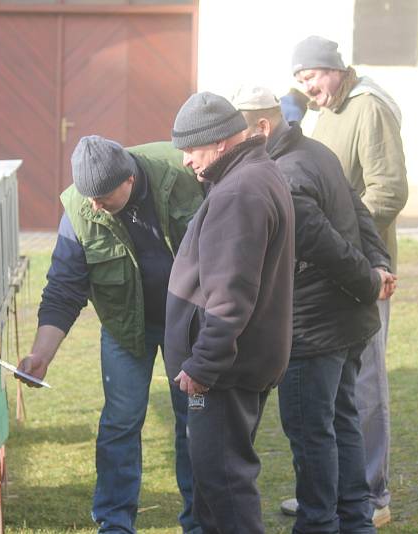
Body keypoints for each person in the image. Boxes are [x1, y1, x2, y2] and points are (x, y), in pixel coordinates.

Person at [17, 135, 204, 534]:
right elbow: (64, 288)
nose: (94, 206)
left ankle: (200, 520)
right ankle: (115, 522)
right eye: (89, 198)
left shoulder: (183, 173)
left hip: (188, 323)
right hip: (125, 325)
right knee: (120, 421)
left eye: (103, 197)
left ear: (129, 180)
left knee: (193, 420)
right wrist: (41, 355)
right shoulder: (81, 208)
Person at [232, 85, 396, 534]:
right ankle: (355, 519)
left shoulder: (284, 173)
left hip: (312, 328)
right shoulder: (317, 151)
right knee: (340, 421)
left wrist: (369, 276)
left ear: (262, 127)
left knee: (311, 432)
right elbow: (360, 216)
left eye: (236, 134)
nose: (229, 145)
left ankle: (320, 522)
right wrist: (378, 265)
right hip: (343, 322)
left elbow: (327, 246)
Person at [287, 35, 410, 528]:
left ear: (334, 69)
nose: (306, 87)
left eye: (311, 75)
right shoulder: (326, 111)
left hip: (366, 271)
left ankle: (373, 493)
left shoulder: (368, 107)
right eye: (299, 80)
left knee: (365, 382)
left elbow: (389, 189)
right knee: (332, 390)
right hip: (333, 273)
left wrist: (350, 248)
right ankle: (333, 489)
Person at [164, 91, 295, 533]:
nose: (185, 161)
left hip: (225, 370)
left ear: (220, 142)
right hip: (241, 362)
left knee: (224, 486)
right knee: (214, 486)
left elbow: (229, 296)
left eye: (191, 149)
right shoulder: (254, 174)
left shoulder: (239, 190)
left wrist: (203, 364)